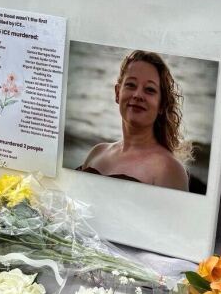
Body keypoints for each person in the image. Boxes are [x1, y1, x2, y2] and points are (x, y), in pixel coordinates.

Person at [79, 50, 190, 191]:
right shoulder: (96, 153)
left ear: (162, 105)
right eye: (131, 85)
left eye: (149, 89)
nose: (138, 95)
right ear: (117, 93)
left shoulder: (170, 169)